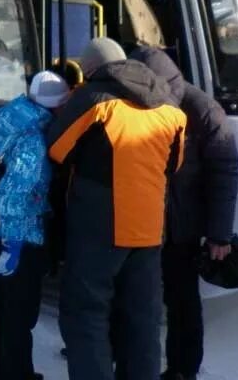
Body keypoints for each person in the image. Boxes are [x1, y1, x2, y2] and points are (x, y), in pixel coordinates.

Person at [47, 37, 186, 380]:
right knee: (142, 318)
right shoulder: (169, 108)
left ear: (91, 68)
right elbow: (174, 164)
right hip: (150, 228)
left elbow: (56, 149)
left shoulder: (93, 99)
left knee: (86, 312)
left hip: (101, 225)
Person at [130, 47, 238, 380]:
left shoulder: (204, 110)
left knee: (182, 302)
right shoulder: (138, 100)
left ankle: (182, 369)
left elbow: (224, 172)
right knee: (136, 296)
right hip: (144, 223)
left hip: (181, 227)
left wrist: (219, 233)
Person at [0, 70, 70, 380]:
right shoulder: (33, 141)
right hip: (17, 237)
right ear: (54, 106)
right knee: (19, 312)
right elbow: (12, 198)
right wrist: (13, 247)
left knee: (2, 309)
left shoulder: (15, 118)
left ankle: (4, 372)